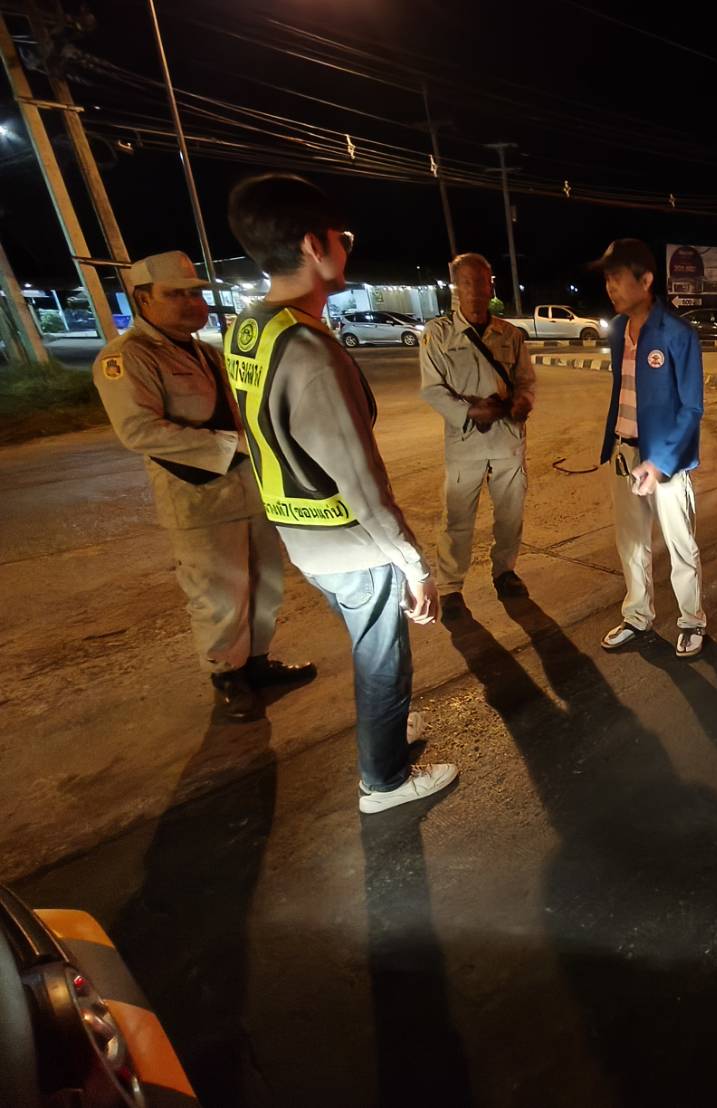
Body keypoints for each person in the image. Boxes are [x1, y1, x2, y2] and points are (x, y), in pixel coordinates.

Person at [224, 173, 456, 814]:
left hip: (299, 533)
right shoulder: (311, 352)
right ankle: (384, 781)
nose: (346, 248)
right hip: (350, 543)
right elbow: (363, 487)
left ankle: (389, 728)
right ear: (312, 245)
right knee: (383, 660)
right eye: (341, 237)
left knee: (371, 650)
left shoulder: (251, 327)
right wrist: (416, 567)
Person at [92, 250, 314, 721]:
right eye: (176, 295)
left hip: (250, 492)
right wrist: (234, 445)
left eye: (195, 294)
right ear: (142, 299)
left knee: (266, 584)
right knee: (217, 596)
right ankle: (227, 676)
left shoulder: (207, 351)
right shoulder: (127, 357)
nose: (193, 304)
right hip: (197, 501)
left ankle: (257, 662)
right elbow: (139, 431)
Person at [596, 238, 707, 658]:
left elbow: (692, 407)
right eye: (607, 279)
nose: (611, 287)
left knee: (680, 546)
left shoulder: (678, 334)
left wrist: (659, 463)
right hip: (624, 454)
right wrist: (615, 444)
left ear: (645, 281)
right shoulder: (618, 330)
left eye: (618, 278)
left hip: (666, 463)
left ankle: (692, 621)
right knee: (631, 544)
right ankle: (637, 616)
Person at [418, 253, 535, 610]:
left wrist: (523, 401)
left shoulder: (509, 334)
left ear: (490, 285)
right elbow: (432, 389)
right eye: (466, 283)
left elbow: (526, 380)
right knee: (457, 519)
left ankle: (505, 572)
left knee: (510, 515)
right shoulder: (438, 334)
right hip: (465, 442)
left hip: (507, 441)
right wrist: (469, 411)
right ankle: (451, 587)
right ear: (456, 287)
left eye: (481, 282)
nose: (474, 290)